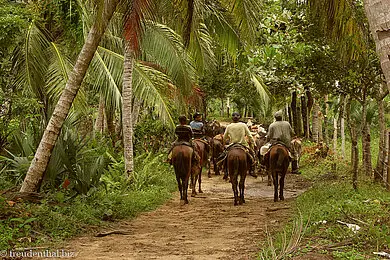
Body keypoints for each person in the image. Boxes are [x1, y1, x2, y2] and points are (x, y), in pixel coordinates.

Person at [218, 112, 257, 177]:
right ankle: (252, 169)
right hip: (243, 144)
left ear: (232, 118)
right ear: (240, 118)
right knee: (252, 155)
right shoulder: (243, 125)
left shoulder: (229, 126)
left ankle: (224, 169)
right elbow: (249, 135)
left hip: (232, 145)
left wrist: (224, 144)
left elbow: (224, 137)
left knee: (224, 156)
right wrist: (254, 144)